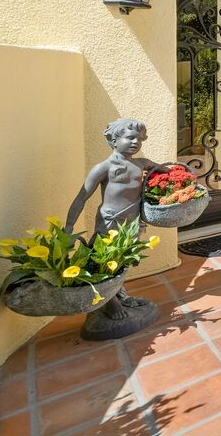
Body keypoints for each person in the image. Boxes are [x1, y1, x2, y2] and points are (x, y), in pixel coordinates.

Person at [65, 117, 167, 337]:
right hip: (111, 222)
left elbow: (163, 171)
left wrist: (175, 177)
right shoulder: (104, 168)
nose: (135, 142)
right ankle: (109, 303)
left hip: (132, 224)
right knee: (105, 264)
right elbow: (81, 198)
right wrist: (68, 226)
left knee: (122, 262)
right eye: (129, 138)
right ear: (113, 140)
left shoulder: (141, 163)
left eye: (139, 139)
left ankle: (118, 294)